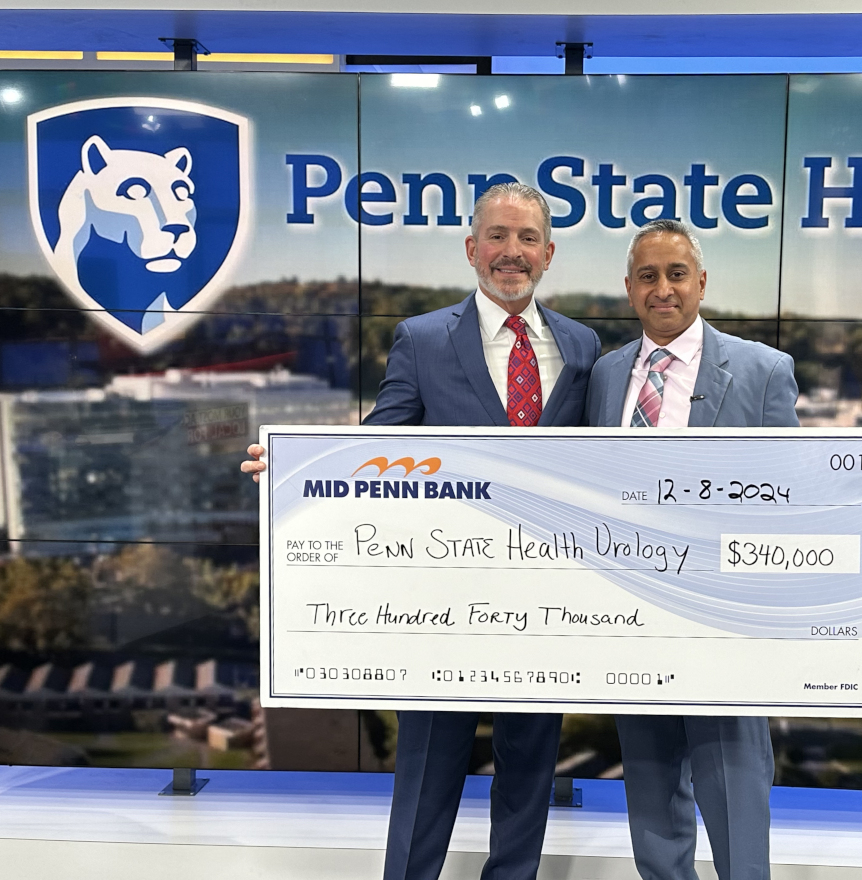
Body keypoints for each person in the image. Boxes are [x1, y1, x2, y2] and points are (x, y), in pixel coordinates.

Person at [243, 183, 601, 880]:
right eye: (496, 236)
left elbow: (619, 460)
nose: (511, 252)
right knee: (428, 773)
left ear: (548, 253)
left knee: (528, 772)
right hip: (441, 604)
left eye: (527, 238)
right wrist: (295, 467)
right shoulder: (423, 337)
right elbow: (376, 454)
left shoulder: (584, 347)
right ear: (472, 248)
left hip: (547, 608)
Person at [585, 219, 862, 880]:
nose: (663, 289)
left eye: (677, 274)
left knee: (735, 808)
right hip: (633, 627)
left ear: (702, 283)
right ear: (629, 288)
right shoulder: (605, 375)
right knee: (652, 810)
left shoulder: (762, 370)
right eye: (648, 275)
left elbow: (790, 492)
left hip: (725, 625)